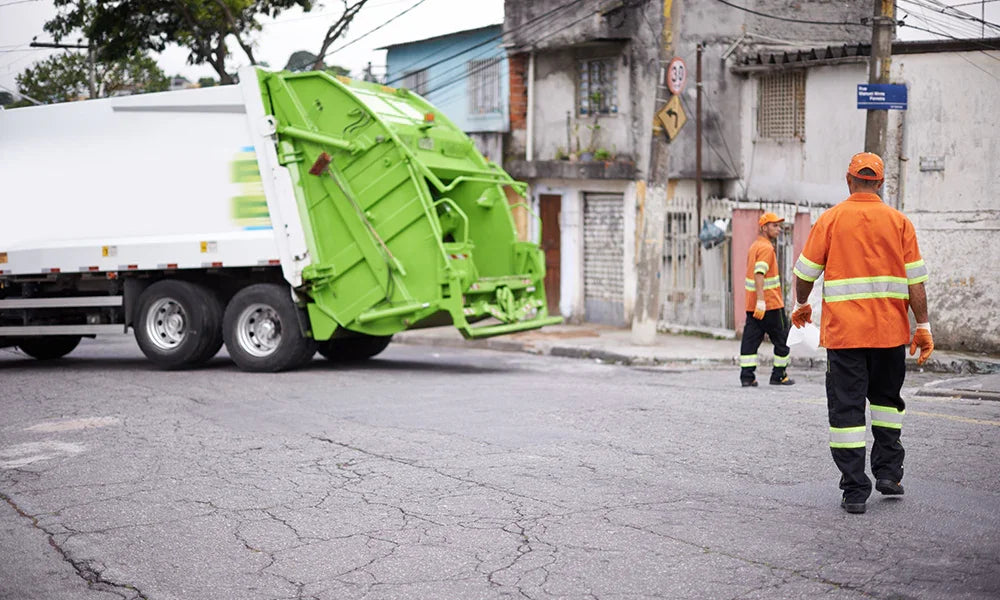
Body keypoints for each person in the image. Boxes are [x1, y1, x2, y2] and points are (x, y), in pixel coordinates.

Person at [790, 151, 934, 515]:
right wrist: (923, 326)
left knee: (847, 413)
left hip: (845, 338)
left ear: (849, 180)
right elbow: (916, 282)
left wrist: (802, 304)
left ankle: (855, 490)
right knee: (887, 406)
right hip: (890, 335)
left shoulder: (831, 220)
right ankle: (889, 474)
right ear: (881, 183)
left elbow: (805, 273)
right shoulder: (900, 223)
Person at [739, 212, 794, 387]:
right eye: (774, 226)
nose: (778, 229)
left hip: (753, 305)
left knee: (750, 340)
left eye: (779, 226)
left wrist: (757, 301)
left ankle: (747, 376)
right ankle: (779, 375)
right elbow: (759, 273)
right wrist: (762, 300)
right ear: (764, 228)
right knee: (783, 340)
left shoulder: (755, 246)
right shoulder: (766, 248)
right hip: (770, 304)